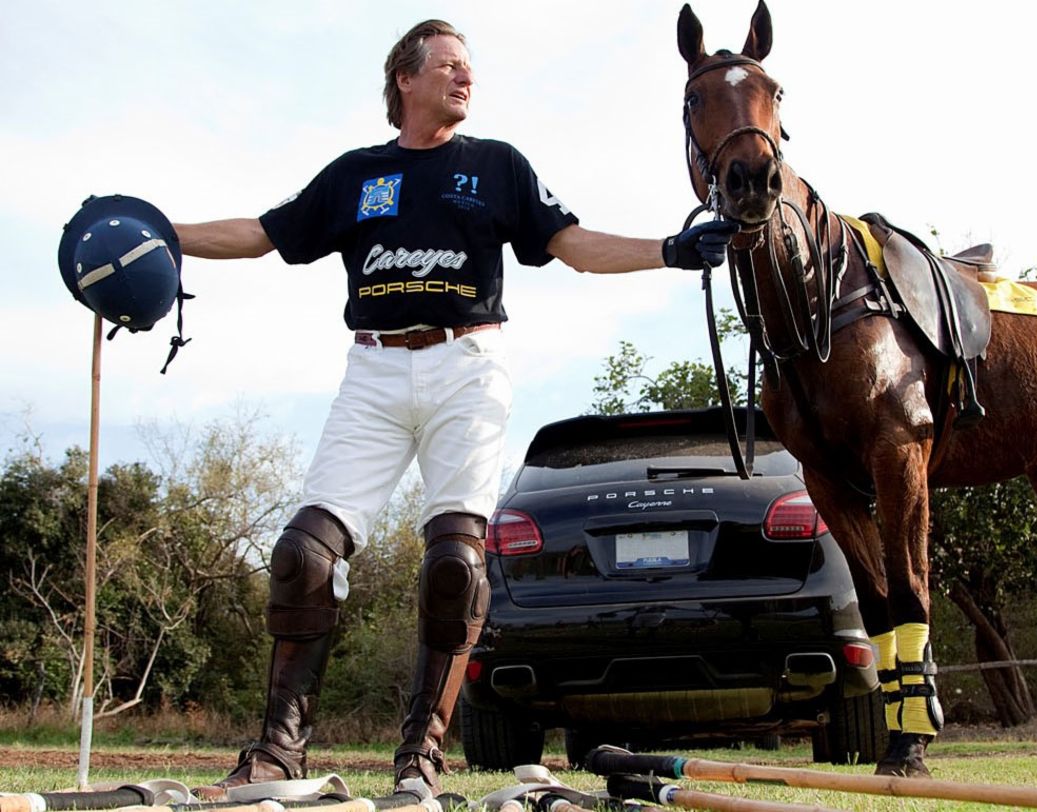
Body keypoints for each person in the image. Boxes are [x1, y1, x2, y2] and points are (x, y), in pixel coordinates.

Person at [173, 19, 735, 798]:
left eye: (469, 68)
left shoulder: (497, 167)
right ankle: (277, 752)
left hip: (468, 364)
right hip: (371, 371)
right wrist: (163, 232)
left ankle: (421, 756)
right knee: (303, 557)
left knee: (455, 566)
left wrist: (668, 250)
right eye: (447, 66)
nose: (465, 78)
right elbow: (262, 233)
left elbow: (571, 244)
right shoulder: (356, 175)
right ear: (405, 79)